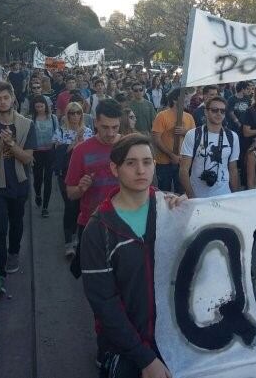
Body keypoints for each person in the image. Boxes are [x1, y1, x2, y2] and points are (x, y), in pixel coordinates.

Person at [81, 134, 184, 378]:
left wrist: (189, 216)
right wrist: (144, 358)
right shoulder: (98, 229)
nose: (141, 170)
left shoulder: (172, 212)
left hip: (174, 344)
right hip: (126, 350)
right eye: (131, 163)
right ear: (114, 169)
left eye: (147, 162)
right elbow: (104, 304)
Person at [0, 81, 36, 278]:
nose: (2, 102)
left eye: (6, 98)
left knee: (17, 222)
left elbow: (28, 158)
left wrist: (11, 144)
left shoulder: (27, 125)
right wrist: (0, 146)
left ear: (13, 98)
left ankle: (14, 252)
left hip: (19, 184)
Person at [66, 99, 122, 277]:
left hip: (123, 223)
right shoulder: (81, 150)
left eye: (115, 127)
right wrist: (81, 188)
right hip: (92, 224)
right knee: (94, 276)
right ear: (95, 122)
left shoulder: (128, 146)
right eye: (105, 127)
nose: (111, 133)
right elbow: (71, 194)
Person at [179, 96, 240, 198]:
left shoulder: (232, 136)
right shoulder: (193, 135)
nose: (219, 114)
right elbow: (183, 170)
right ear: (206, 112)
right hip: (198, 196)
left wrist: (235, 196)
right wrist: (191, 196)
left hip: (223, 195)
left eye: (222, 111)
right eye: (214, 110)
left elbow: (233, 169)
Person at [56, 102, 94, 257]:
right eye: (71, 113)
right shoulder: (61, 131)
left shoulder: (88, 131)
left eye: (78, 113)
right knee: (70, 207)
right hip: (65, 174)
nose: (75, 116)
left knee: (81, 207)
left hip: (84, 175)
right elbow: (57, 156)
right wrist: (74, 144)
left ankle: (79, 237)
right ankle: (68, 242)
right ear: (67, 114)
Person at [152, 88, 195, 194]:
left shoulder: (189, 117)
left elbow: (194, 138)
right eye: (185, 97)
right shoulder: (162, 116)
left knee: (181, 193)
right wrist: (171, 155)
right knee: (164, 193)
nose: (188, 100)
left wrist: (185, 132)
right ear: (175, 100)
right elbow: (156, 139)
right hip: (164, 163)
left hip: (183, 162)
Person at [31, 94, 61, 218]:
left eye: (41, 106)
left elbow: (57, 133)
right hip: (36, 153)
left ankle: (45, 207)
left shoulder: (53, 118)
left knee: (48, 179)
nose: (39, 109)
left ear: (46, 106)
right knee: (38, 179)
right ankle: (38, 194)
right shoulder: (31, 119)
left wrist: (57, 144)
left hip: (50, 152)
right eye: (37, 107)